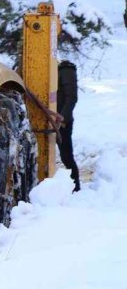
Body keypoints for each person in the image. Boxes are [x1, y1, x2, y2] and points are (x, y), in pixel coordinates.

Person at [57, 59, 80, 191]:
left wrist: (63, 118)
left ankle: (75, 186)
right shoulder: (55, 71)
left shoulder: (67, 70)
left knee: (66, 156)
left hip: (63, 122)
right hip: (51, 119)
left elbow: (71, 97)